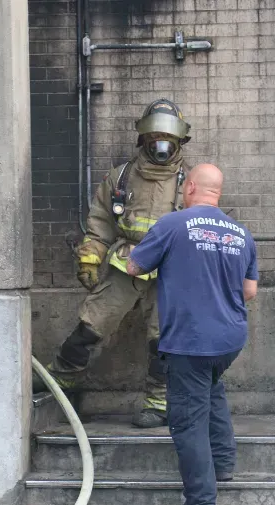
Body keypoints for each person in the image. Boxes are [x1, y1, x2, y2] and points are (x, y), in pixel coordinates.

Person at [33, 98, 192, 429]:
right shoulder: (121, 177)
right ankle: (64, 379)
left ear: (178, 142)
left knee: (163, 338)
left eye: (167, 139)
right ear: (143, 139)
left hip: (171, 271)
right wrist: (89, 259)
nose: (160, 146)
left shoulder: (188, 182)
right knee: (92, 323)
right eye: (154, 139)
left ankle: (158, 403)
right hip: (127, 263)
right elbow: (101, 222)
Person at [126, 163, 258, 505]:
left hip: (190, 341)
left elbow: (135, 267)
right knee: (211, 389)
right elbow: (250, 291)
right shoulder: (241, 232)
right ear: (218, 192)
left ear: (189, 189)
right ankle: (225, 463)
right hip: (229, 339)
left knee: (188, 422)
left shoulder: (172, 224)